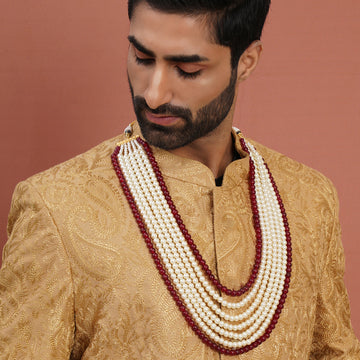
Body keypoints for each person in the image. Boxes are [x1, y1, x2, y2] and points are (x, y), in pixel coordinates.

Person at [1, 0, 359, 358]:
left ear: (246, 61)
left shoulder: (308, 201)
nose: (153, 95)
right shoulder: (56, 208)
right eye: (142, 58)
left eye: (186, 69)